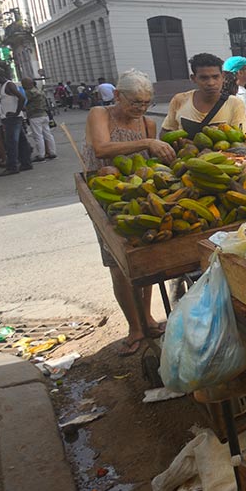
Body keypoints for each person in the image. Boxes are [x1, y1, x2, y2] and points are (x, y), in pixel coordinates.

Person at [84, 70, 178, 356]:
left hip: (139, 200)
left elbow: (148, 167)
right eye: (135, 102)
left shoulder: (148, 124)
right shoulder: (100, 114)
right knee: (119, 267)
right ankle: (133, 326)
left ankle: (148, 317)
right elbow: (101, 148)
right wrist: (148, 143)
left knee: (145, 262)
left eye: (146, 103)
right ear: (118, 96)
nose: (140, 109)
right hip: (109, 200)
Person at [161, 53, 246, 134]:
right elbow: (166, 132)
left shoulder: (235, 104)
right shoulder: (180, 100)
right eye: (204, 78)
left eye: (215, 77)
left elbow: (240, 139)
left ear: (223, 76)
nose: (211, 83)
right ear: (193, 78)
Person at [0, 69, 33, 176]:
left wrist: (16, 112)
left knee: (11, 143)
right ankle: (26, 163)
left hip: (12, 118)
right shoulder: (5, 85)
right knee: (22, 142)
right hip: (14, 118)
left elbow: (22, 97)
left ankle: (12, 166)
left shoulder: (9, 85)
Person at [21, 77, 57, 161]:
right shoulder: (40, 91)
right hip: (44, 114)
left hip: (34, 116)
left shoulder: (28, 93)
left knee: (38, 136)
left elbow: (24, 103)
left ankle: (41, 155)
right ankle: (52, 152)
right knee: (48, 134)